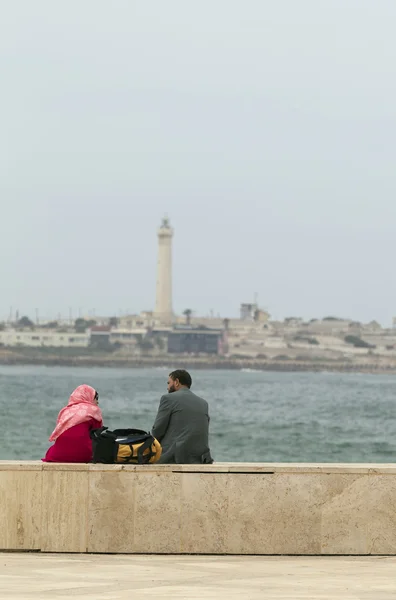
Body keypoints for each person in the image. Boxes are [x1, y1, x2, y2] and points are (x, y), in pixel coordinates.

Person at [151, 369, 213, 464]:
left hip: (174, 457)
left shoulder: (168, 398)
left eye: (169, 383)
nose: (167, 387)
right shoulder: (204, 403)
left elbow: (157, 431)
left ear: (176, 382)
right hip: (199, 459)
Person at [43, 384, 103, 463]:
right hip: (85, 455)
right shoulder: (93, 410)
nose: (97, 402)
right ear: (88, 397)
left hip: (59, 455)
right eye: (96, 398)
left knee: (50, 451)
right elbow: (97, 434)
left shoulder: (65, 411)